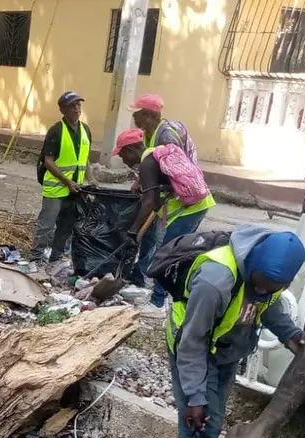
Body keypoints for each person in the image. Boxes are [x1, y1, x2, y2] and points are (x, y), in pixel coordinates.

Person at [156, 227, 305, 438]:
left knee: (202, 429)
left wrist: (290, 335)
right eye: (257, 283)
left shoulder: (267, 279)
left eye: (270, 288)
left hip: (225, 352)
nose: (261, 291)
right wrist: (195, 395)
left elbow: (266, 304)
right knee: (202, 432)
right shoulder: (216, 280)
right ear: (252, 264)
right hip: (193, 351)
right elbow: (192, 342)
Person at [113, 127, 216, 308]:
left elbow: (149, 203)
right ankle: (175, 296)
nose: (123, 161)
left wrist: (133, 230)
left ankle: (157, 302)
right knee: (177, 253)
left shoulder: (148, 163)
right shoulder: (156, 154)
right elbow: (162, 191)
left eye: (122, 155)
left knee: (166, 255)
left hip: (188, 210)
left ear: (131, 149)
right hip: (199, 203)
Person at [127, 94, 211, 295]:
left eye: (136, 115)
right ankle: (140, 275)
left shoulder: (166, 136)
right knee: (158, 241)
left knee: (168, 251)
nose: (134, 119)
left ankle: (159, 297)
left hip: (188, 202)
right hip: (178, 201)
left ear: (148, 115)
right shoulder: (148, 133)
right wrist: (143, 181)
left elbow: (179, 171)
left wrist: (133, 229)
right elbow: (152, 163)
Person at [33, 91, 91, 264]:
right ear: (63, 109)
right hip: (57, 188)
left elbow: (84, 157)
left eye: (78, 105)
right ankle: (36, 257)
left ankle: (56, 257)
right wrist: (67, 181)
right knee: (47, 224)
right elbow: (48, 160)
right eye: (72, 106)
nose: (76, 108)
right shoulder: (56, 130)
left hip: (76, 188)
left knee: (66, 226)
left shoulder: (85, 129)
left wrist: (92, 179)